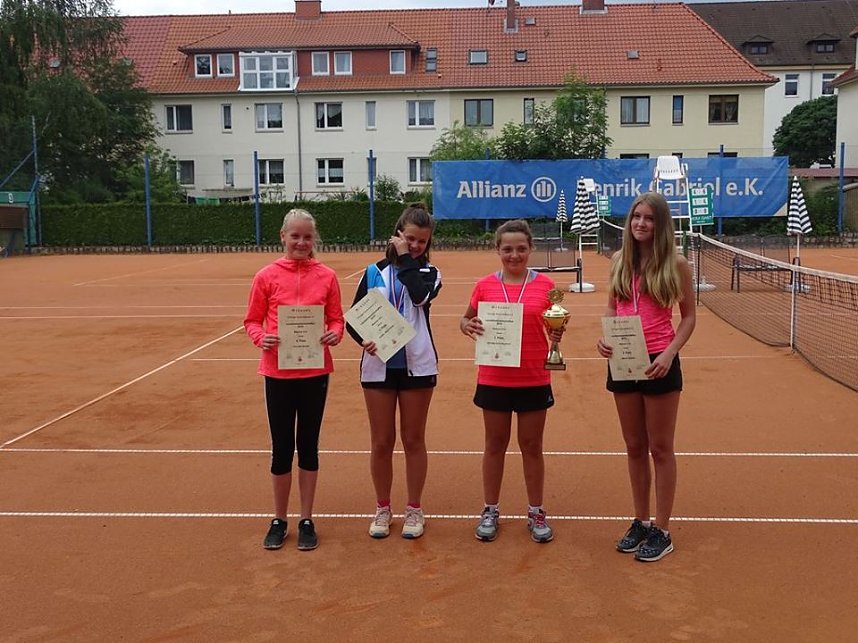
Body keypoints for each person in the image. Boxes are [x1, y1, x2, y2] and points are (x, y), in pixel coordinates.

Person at [596, 191, 696, 562]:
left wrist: (670, 354)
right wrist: (605, 338)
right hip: (623, 358)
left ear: (661, 224)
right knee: (634, 446)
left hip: (659, 359)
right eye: (637, 216)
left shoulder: (677, 264)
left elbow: (688, 318)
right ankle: (640, 520)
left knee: (660, 447)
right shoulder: (620, 260)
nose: (640, 223)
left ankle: (662, 529)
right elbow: (613, 304)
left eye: (649, 218)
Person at [460, 219, 566, 544]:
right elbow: (467, 318)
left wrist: (557, 332)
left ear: (530, 249)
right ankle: (490, 509)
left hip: (534, 377)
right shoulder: (484, 285)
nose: (515, 255)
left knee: (532, 447)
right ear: (498, 250)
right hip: (494, 377)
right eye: (507, 249)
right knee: (495, 445)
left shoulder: (547, 286)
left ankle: (536, 511)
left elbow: (554, 324)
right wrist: (467, 326)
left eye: (521, 248)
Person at [244, 208, 344, 552]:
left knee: (309, 446)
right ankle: (279, 519)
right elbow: (252, 321)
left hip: (315, 373)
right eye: (295, 236)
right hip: (278, 372)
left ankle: (306, 519)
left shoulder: (327, 276)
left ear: (314, 239)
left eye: (307, 237)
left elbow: (336, 320)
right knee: (281, 448)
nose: (301, 242)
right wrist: (262, 338)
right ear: (282, 237)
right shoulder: (266, 276)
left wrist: (334, 334)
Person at [347, 203, 441, 540]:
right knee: (382, 441)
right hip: (378, 367)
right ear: (398, 233)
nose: (416, 246)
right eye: (410, 239)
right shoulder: (372, 272)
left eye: (422, 242)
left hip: (417, 366)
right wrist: (364, 340)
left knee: (413, 440)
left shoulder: (429, 274)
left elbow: (418, 297)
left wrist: (405, 259)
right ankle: (383, 508)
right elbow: (353, 319)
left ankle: (414, 509)